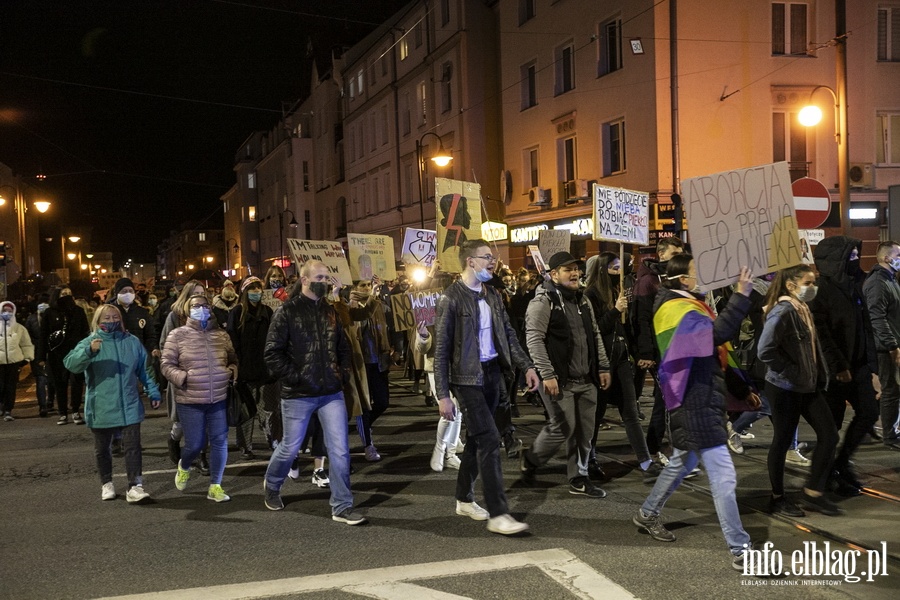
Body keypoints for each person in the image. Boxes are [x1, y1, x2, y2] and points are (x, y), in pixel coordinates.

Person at [633, 255, 754, 571]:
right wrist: (741, 295)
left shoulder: (691, 306)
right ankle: (740, 550)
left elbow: (713, 353)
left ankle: (647, 514)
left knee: (681, 462)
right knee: (724, 477)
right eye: (698, 271)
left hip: (700, 398)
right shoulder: (677, 309)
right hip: (695, 401)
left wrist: (741, 390)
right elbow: (714, 338)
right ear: (684, 281)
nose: (707, 275)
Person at [434, 239, 540, 536]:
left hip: (493, 374)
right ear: (470, 261)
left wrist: (527, 366)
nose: (493, 262)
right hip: (466, 379)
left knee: (477, 440)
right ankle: (498, 513)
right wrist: (443, 394)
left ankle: (464, 499)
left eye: (493, 257)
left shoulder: (492, 294)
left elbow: (508, 334)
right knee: (491, 439)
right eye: (486, 258)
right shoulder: (451, 298)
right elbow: (441, 350)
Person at [262, 260, 367, 525]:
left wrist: (340, 373)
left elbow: (342, 347)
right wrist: (297, 377)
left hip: (330, 391)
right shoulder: (287, 312)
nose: (326, 280)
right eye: (320, 276)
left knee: (340, 449)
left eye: (327, 276)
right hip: (298, 394)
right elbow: (272, 354)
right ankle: (272, 485)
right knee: (290, 446)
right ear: (305, 279)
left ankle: (342, 506)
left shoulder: (330, 311)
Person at [521, 252, 612, 497]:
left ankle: (578, 477)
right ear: (554, 274)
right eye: (567, 269)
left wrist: (602, 367)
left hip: (586, 379)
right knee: (562, 428)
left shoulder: (583, 300)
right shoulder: (543, 301)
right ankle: (532, 458)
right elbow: (535, 339)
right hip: (560, 381)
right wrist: (547, 374)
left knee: (585, 432)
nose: (574, 273)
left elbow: (594, 336)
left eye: (576, 268)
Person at [758, 264, 841, 517]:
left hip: (808, 386)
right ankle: (777, 497)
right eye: (807, 283)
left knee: (829, 434)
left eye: (813, 281)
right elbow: (764, 350)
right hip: (785, 388)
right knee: (782, 441)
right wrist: (791, 371)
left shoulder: (802, 308)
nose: (812, 287)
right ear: (791, 286)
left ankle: (813, 491)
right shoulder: (783, 311)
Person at [63, 304, 161, 502]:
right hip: (101, 405)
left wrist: (153, 392)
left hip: (129, 403)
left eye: (115, 317)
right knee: (103, 448)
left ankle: (135, 486)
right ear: (98, 322)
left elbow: (145, 369)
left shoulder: (132, 342)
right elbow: (71, 364)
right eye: (106, 318)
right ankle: (106, 483)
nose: (111, 321)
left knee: (133, 447)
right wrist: (89, 352)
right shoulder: (91, 342)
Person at [809, 236, 879, 495]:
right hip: (834, 372)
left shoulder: (855, 285)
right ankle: (823, 477)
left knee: (869, 412)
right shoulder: (821, 291)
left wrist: (872, 368)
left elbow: (866, 328)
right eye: (849, 255)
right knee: (832, 427)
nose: (855, 259)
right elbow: (822, 334)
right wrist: (838, 365)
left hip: (858, 366)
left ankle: (841, 463)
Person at [584, 252, 661, 481]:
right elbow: (596, 329)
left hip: (622, 360)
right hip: (602, 362)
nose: (620, 269)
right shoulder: (591, 295)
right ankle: (589, 459)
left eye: (621, 265)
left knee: (630, 412)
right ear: (602, 268)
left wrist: (638, 353)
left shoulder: (622, 289)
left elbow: (627, 329)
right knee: (595, 415)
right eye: (614, 266)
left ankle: (645, 461)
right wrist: (615, 311)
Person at [161, 293, 237, 503]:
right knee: (195, 444)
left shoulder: (221, 335)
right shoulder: (177, 335)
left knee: (220, 441)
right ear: (188, 309)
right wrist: (183, 378)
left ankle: (215, 486)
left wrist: (231, 370)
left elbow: (232, 358)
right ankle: (184, 465)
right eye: (196, 305)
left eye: (204, 305)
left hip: (218, 397)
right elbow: (166, 364)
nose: (201, 309)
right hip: (190, 399)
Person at [632, 237, 685, 465]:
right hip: (658, 349)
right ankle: (655, 449)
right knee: (664, 400)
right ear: (662, 254)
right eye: (675, 255)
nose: (679, 259)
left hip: (672, 347)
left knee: (668, 399)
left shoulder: (671, 279)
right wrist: (646, 353)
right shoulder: (648, 282)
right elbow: (642, 319)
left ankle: (666, 448)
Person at [159, 280, 208, 470]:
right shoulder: (175, 316)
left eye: (202, 293)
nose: (199, 296)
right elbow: (166, 344)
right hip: (184, 377)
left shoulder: (208, 316)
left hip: (204, 376)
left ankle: (203, 456)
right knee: (181, 421)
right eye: (195, 293)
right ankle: (173, 440)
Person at [226, 276, 274, 459]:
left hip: (266, 371)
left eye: (259, 289)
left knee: (269, 410)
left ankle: (273, 440)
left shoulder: (267, 312)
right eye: (253, 289)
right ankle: (245, 445)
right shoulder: (237, 313)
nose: (257, 292)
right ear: (245, 292)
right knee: (246, 412)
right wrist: (236, 366)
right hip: (245, 370)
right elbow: (232, 342)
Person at [348, 278, 393, 461]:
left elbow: (391, 325)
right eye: (363, 285)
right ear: (354, 288)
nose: (367, 288)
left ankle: (365, 426)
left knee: (382, 402)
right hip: (361, 364)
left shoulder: (379, 305)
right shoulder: (349, 307)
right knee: (364, 407)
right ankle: (368, 445)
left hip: (379, 361)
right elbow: (359, 322)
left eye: (369, 285)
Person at [862, 240, 900, 449]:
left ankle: (881, 427)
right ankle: (890, 435)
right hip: (886, 348)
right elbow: (877, 318)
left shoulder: (890, 279)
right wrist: (892, 346)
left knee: (893, 390)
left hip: (891, 344)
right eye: (898, 255)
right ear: (887, 258)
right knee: (890, 390)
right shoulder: (878, 282)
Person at [416, 319, 462, 472]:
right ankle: (441, 450)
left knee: (458, 409)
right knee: (449, 410)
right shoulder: (427, 315)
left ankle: (450, 452)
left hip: (457, 366)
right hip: (436, 367)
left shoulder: (457, 306)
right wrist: (423, 336)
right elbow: (421, 349)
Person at [39, 288, 90, 425]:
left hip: (75, 352)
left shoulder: (78, 311)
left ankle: (75, 410)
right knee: (59, 383)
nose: (66, 296)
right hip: (56, 354)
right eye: (63, 294)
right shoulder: (49, 313)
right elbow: (43, 335)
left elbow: (85, 331)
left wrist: (85, 350)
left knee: (76, 382)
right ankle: (62, 412)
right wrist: (41, 357)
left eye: (69, 294)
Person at [1, 301, 35, 421]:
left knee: (10, 387)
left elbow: (26, 344)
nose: (7, 313)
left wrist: (27, 358)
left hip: (13, 362)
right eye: (4, 311)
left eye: (10, 311)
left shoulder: (19, 328)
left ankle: (8, 410)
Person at [24, 296, 53, 417]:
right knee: (40, 380)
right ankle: (43, 406)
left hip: (52, 352)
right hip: (37, 353)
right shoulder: (31, 319)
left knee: (52, 379)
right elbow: (27, 336)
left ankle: (50, 400)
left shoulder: (53, 317)